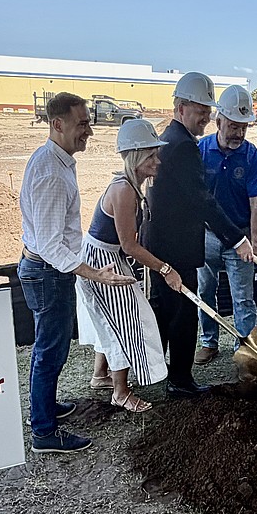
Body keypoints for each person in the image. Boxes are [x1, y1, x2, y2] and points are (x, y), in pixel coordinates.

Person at [18, 92, 136, 454]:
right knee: (50, 351)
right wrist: (95, 273)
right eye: (82, 123)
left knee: (49, 348)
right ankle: (44, 431)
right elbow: (51, 246)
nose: (89, 130)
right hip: (48, 272)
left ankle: (45, 408)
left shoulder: (56, 160)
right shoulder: (52, 173)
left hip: (45, 269)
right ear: (58, 124)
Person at [142, 72, 252, 398]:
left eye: (207, 110)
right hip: (176, 247)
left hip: (162, 242)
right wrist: (237, 238)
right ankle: (180, 380)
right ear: (181, 108)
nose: (205, 116)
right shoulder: (183, 147)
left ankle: (158, 373)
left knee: (166, 312)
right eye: (200, 109)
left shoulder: (170, 139)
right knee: (183, 315)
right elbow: (203, 201)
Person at [77, 120, 175, 413]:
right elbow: (130, 245)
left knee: (110, 317)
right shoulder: (124, 190)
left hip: (106, 255)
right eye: (151, 155)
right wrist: (165, 269)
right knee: (126, 320)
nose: (157, 161)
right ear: (134, 157)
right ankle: (120, 392)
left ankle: (100, 375)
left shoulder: (131, 186)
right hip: (101, 261)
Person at [194, 85, 257, 364]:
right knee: (205, 290)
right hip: (207, 235)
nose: (239, 133)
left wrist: (255, 241)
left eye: (243, 128)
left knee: (243, 297)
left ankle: (245, 348)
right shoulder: (201, 151)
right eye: (234, 126)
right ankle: (208, 341)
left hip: (240, 238)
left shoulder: (252, 157)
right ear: (219, 122)